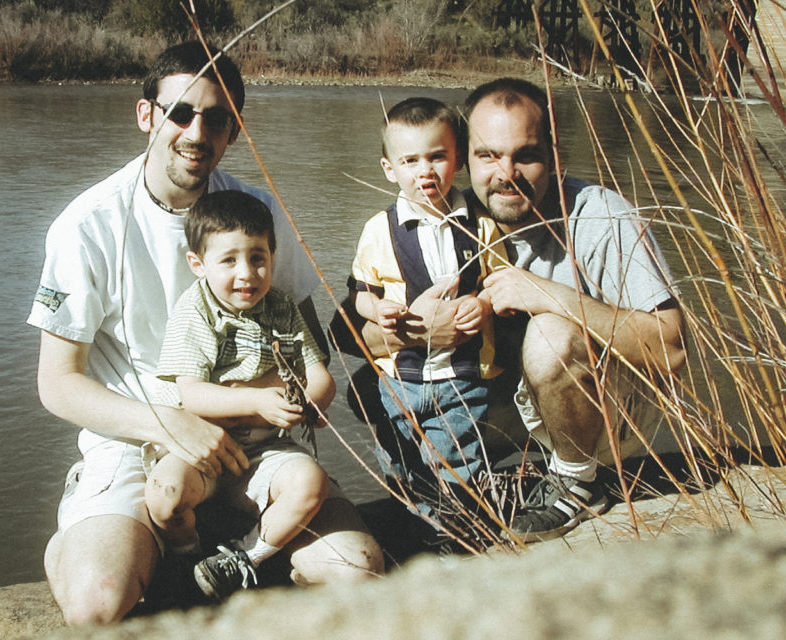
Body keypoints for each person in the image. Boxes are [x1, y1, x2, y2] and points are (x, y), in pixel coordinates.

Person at [28, 41, 383, 625]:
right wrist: (168, 422)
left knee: (359, 569)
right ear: (147, 115)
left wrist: (300, 397)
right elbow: (58, 385)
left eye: (216, 118)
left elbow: (307, 346)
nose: (197, 131)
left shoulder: (257, 213)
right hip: (139, 438)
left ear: (234, 129)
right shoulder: (87, 226)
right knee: (98, 603)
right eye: (180, 112)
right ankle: (105, 529)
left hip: (254, 441)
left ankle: (236, 551)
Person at [342, 78, 686, 543]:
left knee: (549, 335)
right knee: (368, 387)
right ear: (466, 157)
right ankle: (442, 498)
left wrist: (549, 295)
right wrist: (422, 332)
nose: (506, 173)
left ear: (554, 153)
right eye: (488, 155)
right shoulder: (456, 219)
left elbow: (672, 349)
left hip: (606, 411)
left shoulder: (600, 216)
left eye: (526, 154)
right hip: (505, 392)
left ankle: (579, 485)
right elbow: (346, 332)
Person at [147, 189, 335, 601]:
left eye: (258, 257)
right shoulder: (194, 311)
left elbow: (320, 376)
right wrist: (257, 402)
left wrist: (309, 404)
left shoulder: (281, 307)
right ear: (198, 264)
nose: (247, 273)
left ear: (272, 256)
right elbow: (192, 395)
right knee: (165, 495)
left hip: (264, 450)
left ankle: (243, 557)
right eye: (229, 260)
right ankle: (186, 552)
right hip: (202, 449)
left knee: (311, 482)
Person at [348, 97, 505, 515]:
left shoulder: (481, 224)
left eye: (438, 157)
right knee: (398, 461)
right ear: (389, 169)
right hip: (399, 377)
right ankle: (418, 516)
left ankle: (459, 527)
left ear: (459, 160)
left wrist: (485, 304)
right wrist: (375, 310)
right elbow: (360, 291)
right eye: (411, 161)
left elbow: (500, 281)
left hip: (461, 376)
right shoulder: (379, 230)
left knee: (457, 461)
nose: (425, 171)